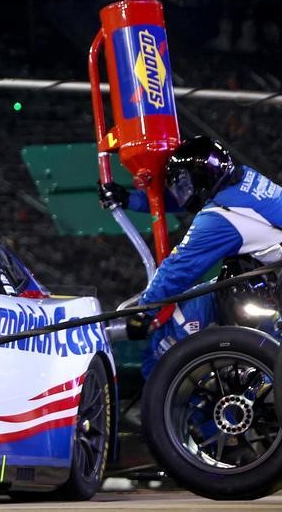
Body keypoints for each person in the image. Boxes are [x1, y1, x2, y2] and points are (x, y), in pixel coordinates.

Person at [99, 135, 282, 375]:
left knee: (166, 345)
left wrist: (144, 313)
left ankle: (183, 407)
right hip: (271, 278)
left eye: (183, 184)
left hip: (273, 290)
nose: (180, 192)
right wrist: (131, 200)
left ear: (200, 178)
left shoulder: (221, 218)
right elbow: (196, 199)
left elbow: (179, 268)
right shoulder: (242, 179)